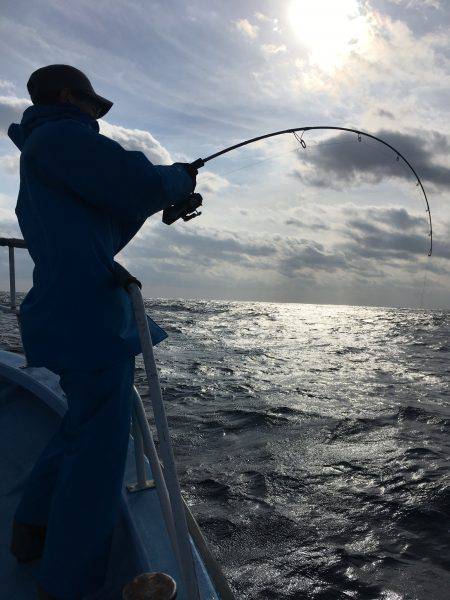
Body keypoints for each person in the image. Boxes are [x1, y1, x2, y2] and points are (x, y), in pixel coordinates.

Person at [7, 64, 196, 600]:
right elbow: (132, 181)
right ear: (67, 97)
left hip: (71, 308)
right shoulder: (60, 136)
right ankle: (68, 585)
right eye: (93, 104)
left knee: (81, 426)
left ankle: (32, 531)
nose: (96, 116)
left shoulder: (44, 152)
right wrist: (177, 179)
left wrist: (159, 202)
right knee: (98, 456)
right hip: (87, 314)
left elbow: (104, 221)